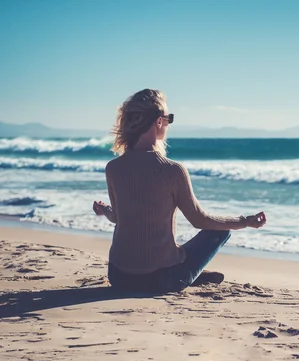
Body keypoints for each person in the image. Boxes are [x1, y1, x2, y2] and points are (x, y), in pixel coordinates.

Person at [93, 89, 266, 293]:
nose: (168, 124)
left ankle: (194, 273)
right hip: (162, 281)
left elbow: (119, 219)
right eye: (169, 118)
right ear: (159, 122)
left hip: (119, 277)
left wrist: (105, 210)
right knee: (220, 231)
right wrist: (245, 221)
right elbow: (199, 220)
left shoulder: (113, 168)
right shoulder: (172, 170)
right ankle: (192, 274)